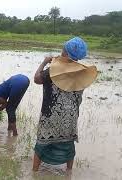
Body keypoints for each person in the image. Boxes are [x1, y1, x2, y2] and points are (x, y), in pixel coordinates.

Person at [32, 37, 98, 174]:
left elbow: (37, 79)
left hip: (51, 115)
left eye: (63, 48)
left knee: (42, 142)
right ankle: (69, 172)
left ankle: (34, 172)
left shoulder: (53, 70)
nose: (61, 50)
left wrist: (44, 61)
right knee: (68, 143)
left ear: (66, 52)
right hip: (71, 115)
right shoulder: (82, 72)